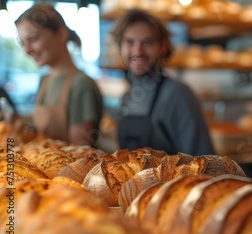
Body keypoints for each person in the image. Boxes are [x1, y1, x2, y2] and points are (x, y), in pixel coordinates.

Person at [110, 9, 214, 156]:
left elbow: (204, 160)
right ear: (120, 47)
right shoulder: (127, 97)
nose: (138, 51)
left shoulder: (177, 94)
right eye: (129, 42)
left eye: (147, 42)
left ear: (163, 46)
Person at [15, 3, 103, 146]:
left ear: (61, 34)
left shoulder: (81, 84)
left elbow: (81, 155)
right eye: (22, 43)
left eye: (33, 39)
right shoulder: (44, 80)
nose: (27, 50)